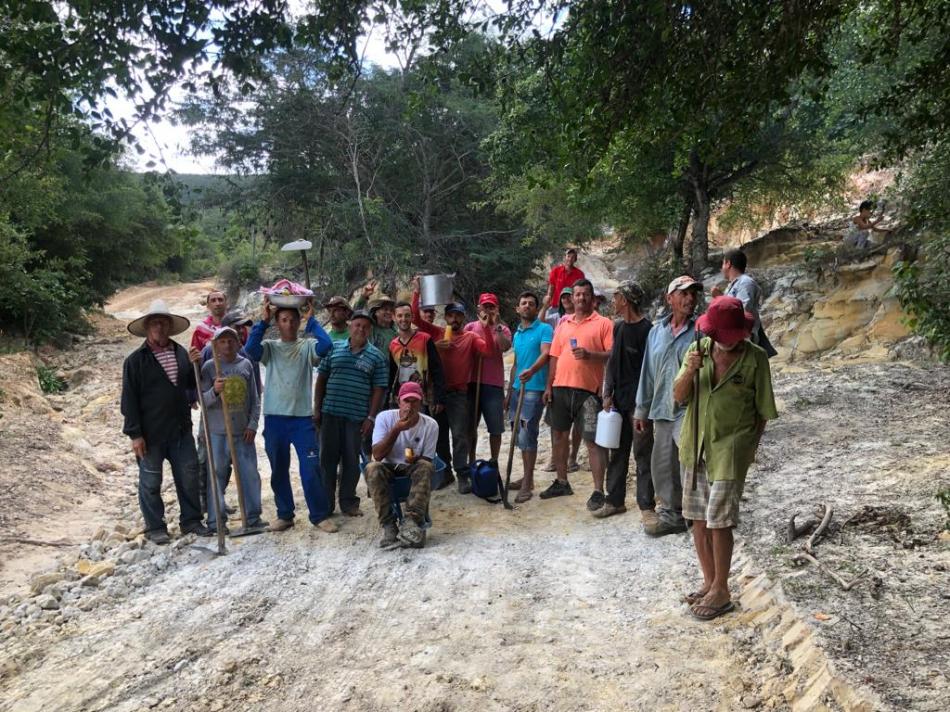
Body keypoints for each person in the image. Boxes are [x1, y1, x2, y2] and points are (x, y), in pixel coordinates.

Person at [673, 296, 778, 620]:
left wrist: (748, 450)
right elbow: (678, 398)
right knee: (698, 519)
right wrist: (690, 371)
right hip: (696, 444)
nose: (726, 342)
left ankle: (722, 590)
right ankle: (710, 581)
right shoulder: (699, 351)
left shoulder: (755, 359)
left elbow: (763, 412)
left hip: (731, 450)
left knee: (720, 519)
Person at [244, 296, 338, 533]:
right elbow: (250, 351)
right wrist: (262, 322)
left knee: (310, 468)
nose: (288, 324)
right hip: (275, 418)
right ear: (277, 323)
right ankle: (284, 515)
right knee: (279, 469)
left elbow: (326, 347)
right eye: (283, 320)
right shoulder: (270, 348)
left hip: (302, 419)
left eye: (292, 320)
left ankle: (319, 515)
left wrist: (312, 322)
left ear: (298, 322)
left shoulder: (306, 347)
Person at [121, 300, 209, 544]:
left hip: (180, 429)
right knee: (150, 481)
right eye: (155, 323)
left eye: (163, 323)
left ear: (169, 326)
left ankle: (191, 521)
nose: (159, 327)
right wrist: (134, 434)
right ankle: (155, 527)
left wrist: (196, 364)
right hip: (150, 434)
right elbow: (129, 400)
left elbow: (192, 386)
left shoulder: (181, 353)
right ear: (148, 328)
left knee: (188, 476)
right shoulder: (135, 361)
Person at [634, 275, 703, 536]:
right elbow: (648, 372)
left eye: (693, 294)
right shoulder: (656, 332)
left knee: (690, 461)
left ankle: (696, 514)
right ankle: (673, 513)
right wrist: (642, 409)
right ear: (669, 298)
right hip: (662, 408)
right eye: (684, 293)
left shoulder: (701, 330)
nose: (690, 298)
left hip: (691, 408)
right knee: (663, 463)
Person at [411, 290, 494, 493]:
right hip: (436, 394)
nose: (454, 319)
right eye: (450, 315)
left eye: (458, 315)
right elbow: (414, 318)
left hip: (459, 394)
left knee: (460, 435)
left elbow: (488, 352)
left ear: (463, 318)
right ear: (445, 317)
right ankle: (445, 472)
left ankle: (462, 474)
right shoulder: (437, 333)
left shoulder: (470, 337)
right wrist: (416, 293)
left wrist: (487, 329)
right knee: (438, 436)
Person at [541, 279, 613, 506]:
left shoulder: (604, 323)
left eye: (585, 295)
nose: (581, 298)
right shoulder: (563, 326)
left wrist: (591, 355)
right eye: (577, 294)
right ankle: (562, 482)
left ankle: (598, 490)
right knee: (559, 436)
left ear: (592, 298)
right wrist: (548, 386)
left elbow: (612, 354)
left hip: (589, 392)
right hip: (560, 388)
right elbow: (553, 357)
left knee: (593, 442)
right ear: (571, 298)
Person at [314, 310, 389, 517]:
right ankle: (326, 504)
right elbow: (321, 379)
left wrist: (371, 418)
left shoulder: (377, 356)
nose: (361, 329)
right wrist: (316, 409)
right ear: (349, 326)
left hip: (356, 417)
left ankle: (348, 502)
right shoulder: (333, 349)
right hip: (330, 413)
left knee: (351, 461)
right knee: (327, 460)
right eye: (357, 325)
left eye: (365, 326)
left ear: (370, 330)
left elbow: (379, 389)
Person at [199, 326, 266, 534]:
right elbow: (202, 401)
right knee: (216, 475)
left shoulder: (246, 364)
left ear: (238, 343)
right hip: (218, 433)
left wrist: (253, 425)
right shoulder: (209, 367)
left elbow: (255, 400)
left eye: (231, 341)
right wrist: (215, 391)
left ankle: (252, 518)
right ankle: (215, 521)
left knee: (249, 475)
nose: (227, 345)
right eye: (222, 341)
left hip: (242, 432)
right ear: (216, 345)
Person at [598, 281, 654, 520]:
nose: (614, 300)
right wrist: (607, 392)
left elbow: (650, 369)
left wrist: (644, 405)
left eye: (617, 296)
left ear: (627, 300)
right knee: (618, 452)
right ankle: (614, 500)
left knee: (643, 453)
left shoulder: (647, 330)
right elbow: (612, 361)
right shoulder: (618, 327)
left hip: (638, 403)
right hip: (619, 400)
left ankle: (646, 506)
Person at [365, 382, 439, 549]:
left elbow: (427, 459)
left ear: (421, 403)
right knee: (372, 468)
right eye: (406, 401)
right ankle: (388, 525)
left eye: (415, 401)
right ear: (399, 401)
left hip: (411, 466)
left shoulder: (430, 425)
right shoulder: (385, 418)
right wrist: (396, 430)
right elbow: (377, 454)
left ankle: (412, 521)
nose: (410, 406)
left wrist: (415, 458)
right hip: (388, 465)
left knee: (425, 467)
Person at [390, 301, 450, 485]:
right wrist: (391, 398)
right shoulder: (393, 344)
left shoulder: (424, 339)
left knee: (431, 433)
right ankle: (411, 471)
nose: (403, 319)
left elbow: (437, 368)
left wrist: (440, 397)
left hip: (425, 396)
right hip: (403, 399)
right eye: (399, 315)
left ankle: (444, 472)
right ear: (394, 318)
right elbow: (392, 373)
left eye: (407, 315)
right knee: (407, 435)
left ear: (412, 317)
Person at [503, 291, 553, 503]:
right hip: (517, 389)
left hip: (534, 389)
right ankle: (527, 478)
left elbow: (546, 353)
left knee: (526, 433)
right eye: (523, 303)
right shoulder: (517, 334)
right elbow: (515, 365)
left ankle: (527, 483)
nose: (527, 306)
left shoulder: (545, 329)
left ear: (536, 308)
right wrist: (508, 393)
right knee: (517, 432)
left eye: (531, 304)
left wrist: (532, 371)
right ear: (518, 308)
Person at [464, 293, 512, 463]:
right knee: (470, 427)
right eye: (485, 306)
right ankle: (471, 460)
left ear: (497, 308)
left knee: (495, 427)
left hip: (493, 384)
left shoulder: (503, 329)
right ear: (479, 308)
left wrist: (496, 326)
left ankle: (493, 460)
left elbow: (505, 347)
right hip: (472, 382)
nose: (488, 310)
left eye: (492, 306)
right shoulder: (470, 327)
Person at [712, 249, 776, 357]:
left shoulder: (746, 283)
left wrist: (720, 297)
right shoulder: (734, 285)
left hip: (744, 339)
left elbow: (741, 311)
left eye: (723, 263)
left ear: (728, 264)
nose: (721, 268)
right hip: (734, 339)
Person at [540, 247, 585, 316]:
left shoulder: (580, 274)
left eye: (573, 257)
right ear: (565, 257)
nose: (570, 259)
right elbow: (551, 287)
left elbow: (581, 291)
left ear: (575, 260)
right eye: (568, 256)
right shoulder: (556, 271)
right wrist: (548, 297)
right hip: (556, 305)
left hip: (571, 307)